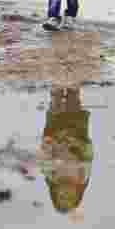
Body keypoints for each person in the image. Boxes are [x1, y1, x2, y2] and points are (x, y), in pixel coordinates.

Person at [38, 85, 93, 215]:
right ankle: (74, 81)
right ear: (78, 194)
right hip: (76, 130)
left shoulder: (51, 175)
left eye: (62, 197)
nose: (66, 193)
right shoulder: (81, 176)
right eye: (70, 197)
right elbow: (88, 153)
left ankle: (56, 82)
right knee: (73, 101)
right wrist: (77, 143)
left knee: (56, 102)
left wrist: (54, 143)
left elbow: (44, 153)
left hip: (55, 131)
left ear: (55, 193)